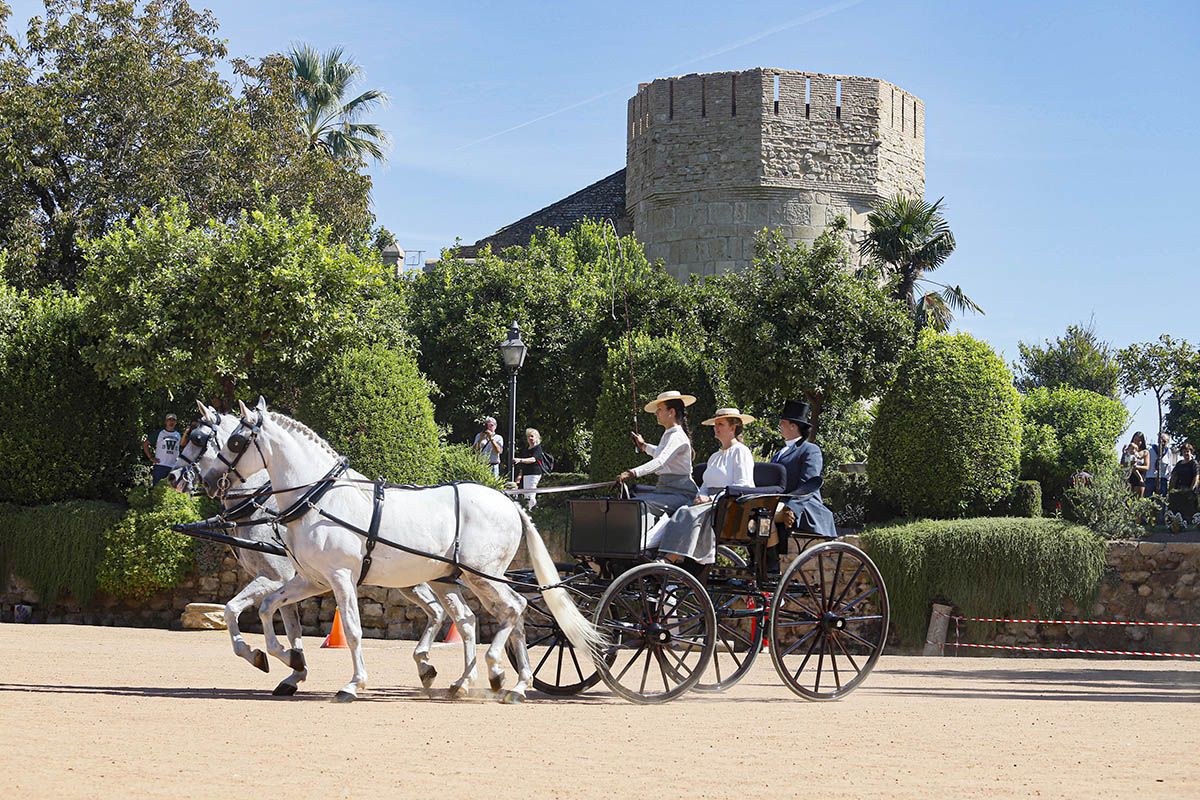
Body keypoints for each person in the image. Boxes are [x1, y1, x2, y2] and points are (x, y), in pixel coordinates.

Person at [650, 408, 756, 565]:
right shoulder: (715, 456)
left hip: (729, 504)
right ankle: (659, 551)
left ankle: (670, 558)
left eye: (720, 424)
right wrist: (701, 495)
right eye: (715, 424)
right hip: (709, 502)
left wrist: (711, 498)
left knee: (690, 514)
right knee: (681, 510)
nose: (716, 428)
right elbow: (706, 484)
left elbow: (742, 486)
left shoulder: (741, 452)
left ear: (733, 428)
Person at [768, 400, 836, 570]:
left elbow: (809, 483)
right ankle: (760, 563)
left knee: (762, 517)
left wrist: (791, 507)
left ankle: (771, 565)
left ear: (793, 426)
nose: (779, 425)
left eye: (783, 422)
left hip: (803, 507)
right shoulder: (778, 454)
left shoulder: (810, 450)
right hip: (777, 504)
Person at [616, 390, 699, 517]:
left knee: (639, 505)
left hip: (681, 495)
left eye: (659, 409)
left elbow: (661, 461)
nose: (656, 413)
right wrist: (644, 446)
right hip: (664, 491)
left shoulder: (677, 436)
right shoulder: (670, 434)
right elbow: (661, 453)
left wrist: (632, 472)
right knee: (632, 503)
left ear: (671, 412)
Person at [142, 413, 184, 486]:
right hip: (160, 466)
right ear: (166, 422)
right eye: (169, 420)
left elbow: (184, 446)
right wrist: (151, 457)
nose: (171, 422)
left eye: (173, 420)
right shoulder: (160, 433)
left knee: (172, 490)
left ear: (176, 422)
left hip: (173, 467)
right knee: (157, 488)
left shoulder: (179, 435)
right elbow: (145, 444)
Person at [513, 428, 548, 509]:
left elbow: (533, 459)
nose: (530, 438)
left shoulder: (538, 448)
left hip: (534, 474)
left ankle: (533, 512)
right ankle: (530, 510)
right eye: (528, 437)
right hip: (526, 475)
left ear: (536, 437)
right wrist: (519, 476)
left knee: (531, 495)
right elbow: (523, 465)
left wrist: (520, 460)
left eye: (532, 436)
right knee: (526, 495)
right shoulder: (526, 449)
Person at [1147, 432, 1178, 498]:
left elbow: (1169, 466)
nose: (1162, 443)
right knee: (1148, 498)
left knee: (1162, 500)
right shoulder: (1150, 449)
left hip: (1163, 479)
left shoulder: (1168, 452)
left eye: (1164, 441)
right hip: (1150, 478)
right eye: (1161, 441)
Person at [1121, 431, 1149, 497]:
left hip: (1139, 479)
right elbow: (1122, 464)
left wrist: (1136, 467)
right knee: (1126, 500)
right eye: (1135, 440)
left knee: (1137, 501)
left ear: (1142, 442)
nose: (1136, 442)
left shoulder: (1145, 452)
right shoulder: (1128, 451)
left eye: (1139, 440)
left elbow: (1147, 467)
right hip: (1128, 478)